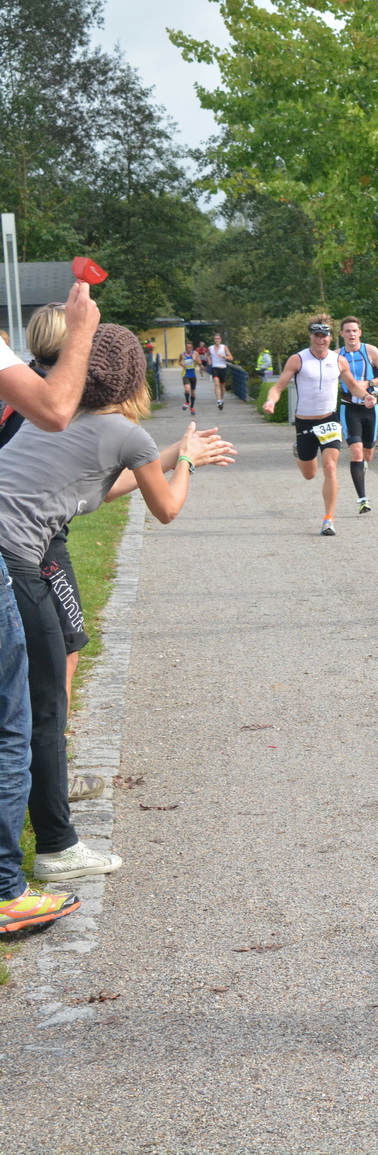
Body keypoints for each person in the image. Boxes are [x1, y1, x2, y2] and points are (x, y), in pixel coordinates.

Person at [0, 324, 234, 886]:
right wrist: (189, 462)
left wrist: (172, 451)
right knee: (43, 707)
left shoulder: (49, 417)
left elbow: (91, 486)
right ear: (133, 378)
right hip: (15, 563)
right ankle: (56, 847)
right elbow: (168, 508)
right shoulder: (128, 435)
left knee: (34, 702)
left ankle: (50, 837)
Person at [0, 283, 99, 934]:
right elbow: (57, 412)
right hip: (27, 550)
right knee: (20, 715)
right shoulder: (58, 394)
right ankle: (14, 881)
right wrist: (86, 325)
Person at [264, 314, 372, 536]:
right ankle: (300, 453)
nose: (320, 340)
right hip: (305, 422)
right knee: (309, 474)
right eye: (316, 335)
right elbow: (279, 387)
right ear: (310, 336)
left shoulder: (338, 360)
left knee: (330, 467)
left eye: (324, 336)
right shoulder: (298, 359)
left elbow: (352, 386)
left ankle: (328, 519)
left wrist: (366, 396)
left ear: (331, 338)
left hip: (329, 420)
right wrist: (271, 401)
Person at [336, 317, 378, 512]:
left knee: (367, 454)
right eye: (347, 331)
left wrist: (368, 384)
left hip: (369, 408)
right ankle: (363, 499)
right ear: (341, 334)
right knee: (356, 451)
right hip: (348, 408)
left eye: (354, 331)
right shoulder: (336, 355)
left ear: (360, 332)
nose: (351, 334)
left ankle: (362, 465)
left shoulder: (370, 350)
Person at [208, 333, 232, 410]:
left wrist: (224, 356)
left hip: (223, 368)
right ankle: (218, 401)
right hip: (215, 368)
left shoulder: (224, 347)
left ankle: (221, 399)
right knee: (216, 383)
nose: (216, 340)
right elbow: (208, 355)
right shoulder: (210, 348)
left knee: (222, 386)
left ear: (220, 340)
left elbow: (231, 358)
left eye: (218, 339)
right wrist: (209, 360)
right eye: (215, 339)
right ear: (214, 339)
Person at [181, 347, 197, 413]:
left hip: (193, 375)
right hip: (185, 374)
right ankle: (187, 402)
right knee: (187, 389)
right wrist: (182, 364)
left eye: (190, 348)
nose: (189, 349)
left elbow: (200, 362)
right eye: (187, 348)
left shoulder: (195, 354)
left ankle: (192, 407)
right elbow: (179, 361)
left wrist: (195, 359)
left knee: (193, 392)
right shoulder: (182, 354)